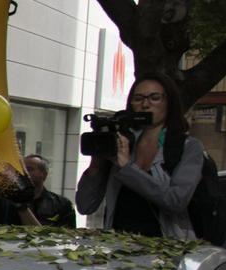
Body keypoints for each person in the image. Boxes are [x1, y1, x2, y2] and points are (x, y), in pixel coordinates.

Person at [75, 78, 206, 238]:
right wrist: (96, 164)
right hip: (121, 252)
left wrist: (127, 169)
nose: (145, 105)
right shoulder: (123, 143)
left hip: (167, 251)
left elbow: (176, 201)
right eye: (138, 99)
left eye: (154, 98)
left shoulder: (188, 147)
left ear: (169, 102)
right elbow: (84, 206)